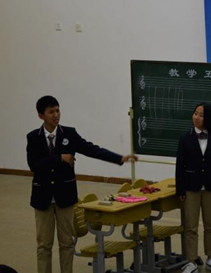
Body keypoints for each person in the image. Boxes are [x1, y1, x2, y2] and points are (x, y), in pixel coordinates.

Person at [27, 95, 137, 273]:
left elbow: (91, 149)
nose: (56, 115)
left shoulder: (69, 134)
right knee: (44, 245)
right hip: (42, 197)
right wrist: (60, 158)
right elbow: (34, 165)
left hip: (65, 196)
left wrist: (119, 158)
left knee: (66, 243)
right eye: (51, 112)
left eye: (57, 110)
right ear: (41, 115)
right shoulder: (33, 137)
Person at [176, 102, 211, 273]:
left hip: (210, 188)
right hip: (191, 187)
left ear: (209, 118)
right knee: (191, 226)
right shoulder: (185, 138)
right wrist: (180, 190)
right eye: (195, 113)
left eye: (201, 115)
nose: (196, 117)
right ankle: (191, 261)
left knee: (210, 224)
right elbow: (180, 166)